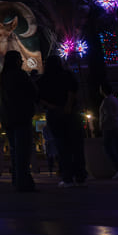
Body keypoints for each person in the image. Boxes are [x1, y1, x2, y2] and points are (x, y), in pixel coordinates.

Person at [37, 55, 86, 188]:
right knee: (76, 146)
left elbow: (38, 97)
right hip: (71, 113)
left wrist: (52, 106)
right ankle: (80, 176)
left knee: (62, 146)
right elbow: (73, 90)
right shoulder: (67, 75)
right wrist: (69, 106)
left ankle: (67, 178)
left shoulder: (43, 79)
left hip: (54, 114)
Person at [0, 50, 37, 192]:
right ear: (16, 61)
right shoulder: (19, 75)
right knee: (23, 152)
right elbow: (33, 93)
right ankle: (23, 182)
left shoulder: (3, 77)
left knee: (15, 151)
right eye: (20, 59)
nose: (21, 61)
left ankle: (17, 180)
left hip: (8, 118)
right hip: (21, 116)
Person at [99, 80, 118, 180]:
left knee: (108, 148)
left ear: (103, 90)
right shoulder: (115, 99)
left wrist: (102, 124)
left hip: (110, 127)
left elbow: (107, 115)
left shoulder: (106, 101)